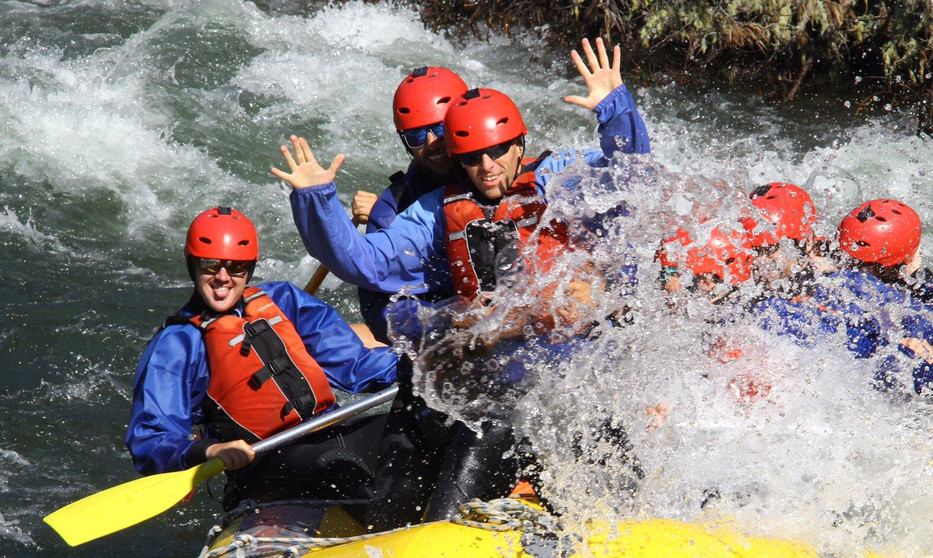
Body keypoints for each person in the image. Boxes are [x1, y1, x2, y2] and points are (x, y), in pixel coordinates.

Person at [272, 37, 650, 517]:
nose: (485, 167)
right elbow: (364, 264)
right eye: (471, 156)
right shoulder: (431, 210)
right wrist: (317, 200)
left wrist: (614, 110)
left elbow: (630, 179)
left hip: (563, 371)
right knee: (411, 461)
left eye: (495, 152)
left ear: (519, 144)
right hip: (480, 368)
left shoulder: (557, 177)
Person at [126, 206, 418, 521]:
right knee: (338, 461)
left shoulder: (284, 300)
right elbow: (150, 438)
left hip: (327, 434)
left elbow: (357, 365)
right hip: (260, 465)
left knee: (419, 420)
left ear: (250, 268)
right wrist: (209, 451)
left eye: (236, 267)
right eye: (211, 266)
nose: (223, 278)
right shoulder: (178, 343)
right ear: (192, 265)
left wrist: (424, 367)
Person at [349, 66, 469, 341]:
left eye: (439, 129)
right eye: (416, 135)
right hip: (446, 336)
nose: (431, 143)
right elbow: (378, 310)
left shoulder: (495, 168)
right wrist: (444, 321)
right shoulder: (392, 208)